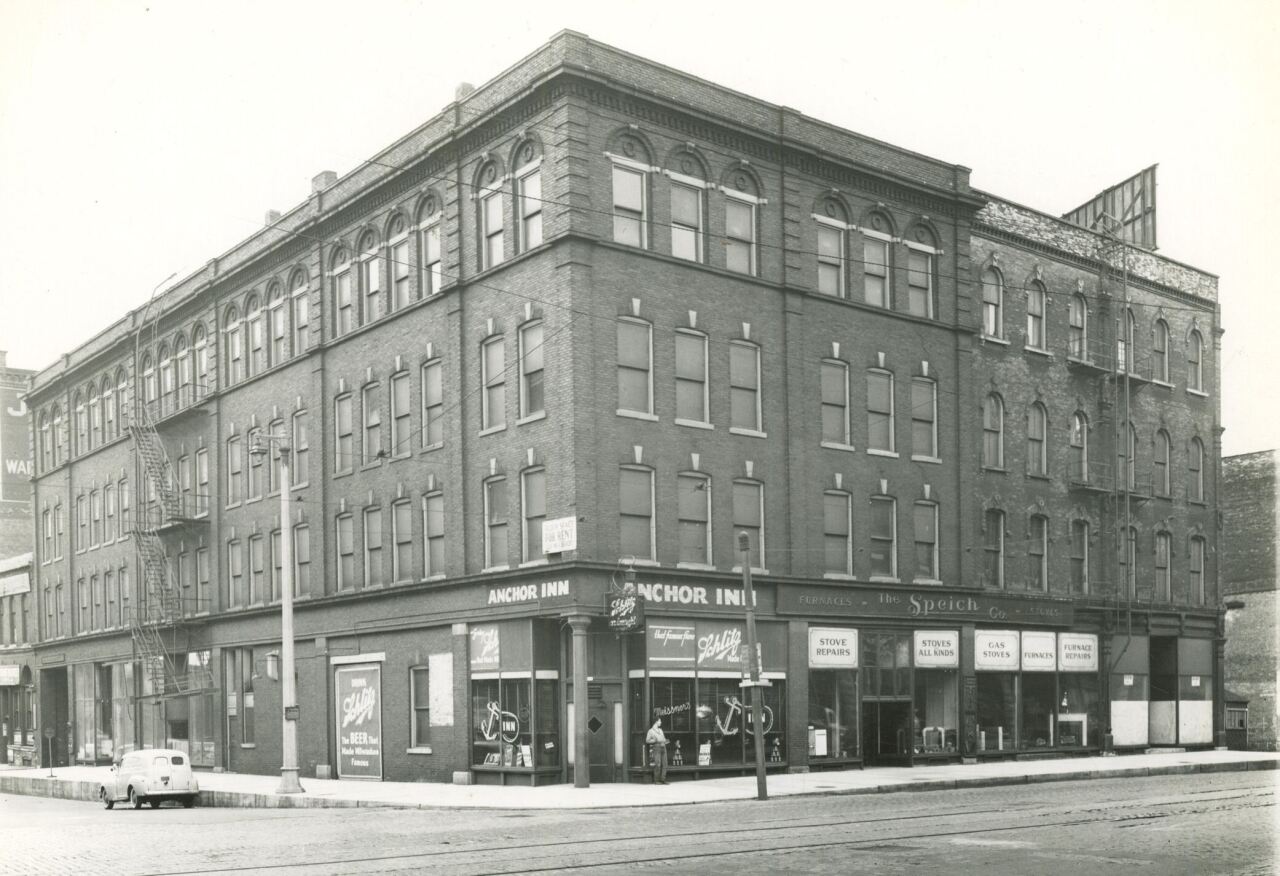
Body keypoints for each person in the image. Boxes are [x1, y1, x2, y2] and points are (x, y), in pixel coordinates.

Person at [645, 717, 668, 784]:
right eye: (659, 721)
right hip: (657, 747)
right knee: (658, 764)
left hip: (663, 746)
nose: (660, 722)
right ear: (656, 722)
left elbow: (663, 738)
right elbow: (647, 740)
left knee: (665, 764)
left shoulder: (660, 730)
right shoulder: (651, 731)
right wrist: (654, 740)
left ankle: (663, 779)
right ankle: (656, 780)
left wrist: (665, 741)